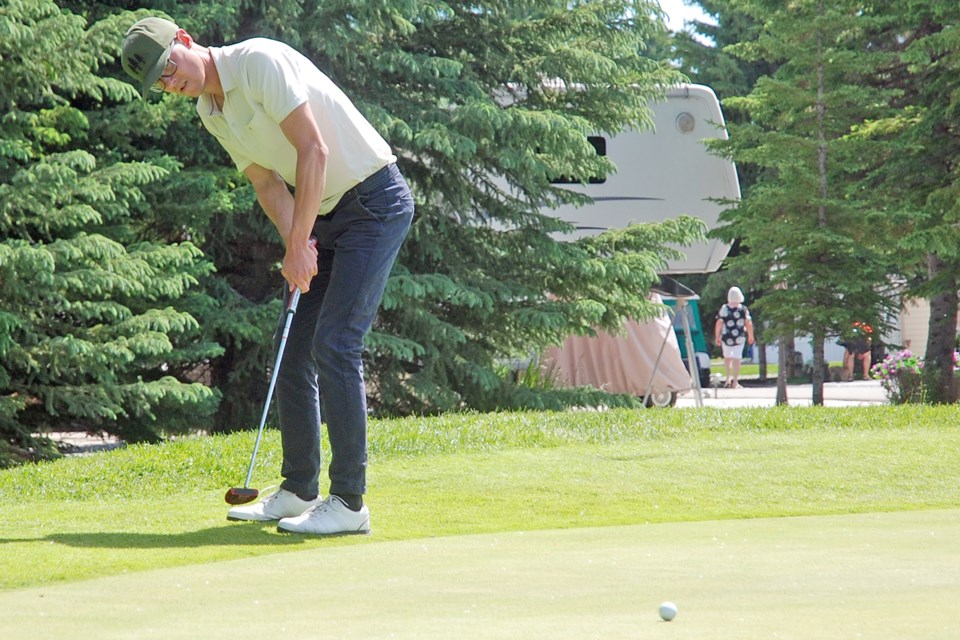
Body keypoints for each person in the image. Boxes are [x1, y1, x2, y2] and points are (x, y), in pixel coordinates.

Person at [121, 17, 414, 535]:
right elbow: (266, 183)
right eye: (160, 83)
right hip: (321, 213)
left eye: (169, 66)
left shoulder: (258, 61)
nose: (171, 82)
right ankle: (300, 488)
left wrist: (300, 244)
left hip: (374, 200)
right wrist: (295, 244)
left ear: (185, 40)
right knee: (293, 344)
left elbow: (314, 150)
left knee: (338, 344)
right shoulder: (211, 112)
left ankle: (350, 503)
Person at [714, 286, 754, 389]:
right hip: (739, 337)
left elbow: (719, 322)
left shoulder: (724, 308)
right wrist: (751, 335)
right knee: (737, 358)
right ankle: (735, 382)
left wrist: (717, 336)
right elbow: (748, 323)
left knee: (727, 358)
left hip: (726, 336)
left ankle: (727, 379)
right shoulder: (743, 309)